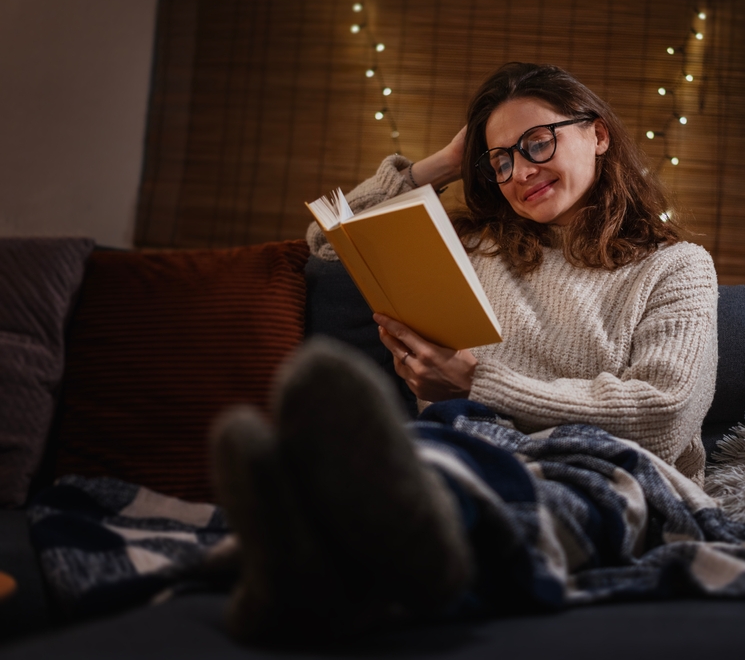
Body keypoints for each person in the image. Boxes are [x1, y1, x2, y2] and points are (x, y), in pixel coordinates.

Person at [211, 62, 718, 645]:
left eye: (536, 143)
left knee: (525, 495)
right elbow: (329, 242)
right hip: (464, 439)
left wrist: (479, 383)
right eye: (499, 160)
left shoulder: (675, 266)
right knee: (424, 462)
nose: (519, 171)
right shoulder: (475, 245)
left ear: (598, 134)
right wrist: (450, 162)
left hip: (607, 465)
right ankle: (316, 545)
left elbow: (664, 416)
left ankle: (328, 557)